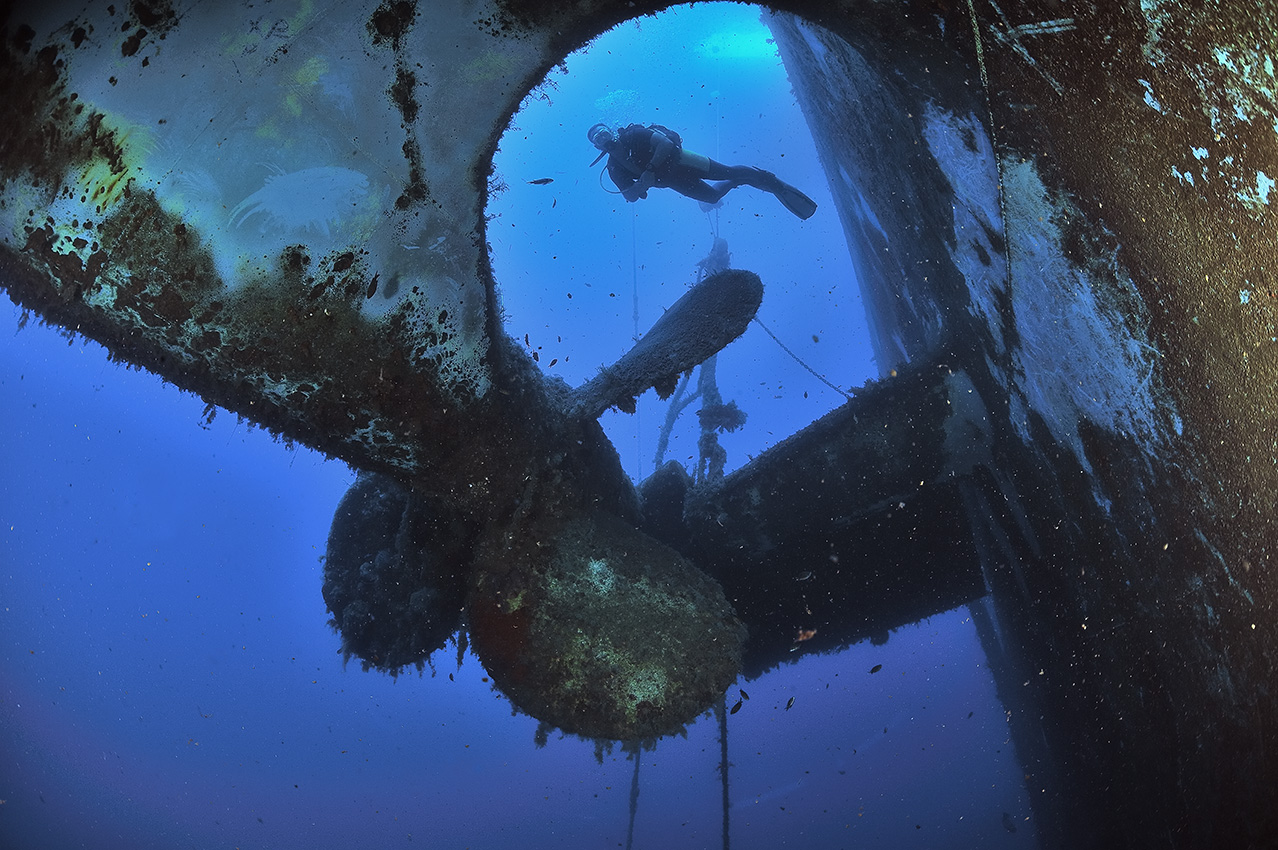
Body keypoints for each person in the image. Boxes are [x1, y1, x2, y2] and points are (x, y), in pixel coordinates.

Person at [587, 122, 817, 220]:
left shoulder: (633, 135)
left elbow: (666, 144)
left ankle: (767, 179)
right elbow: (629, 196)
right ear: (596, 146)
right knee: (713, 197)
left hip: (683, 161)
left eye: (604, 132)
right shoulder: (614, 169)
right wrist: (636, 189)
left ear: (611, 131)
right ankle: (742, 181)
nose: (603, 138)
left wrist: (649, 170)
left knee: (727, 172)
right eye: (598, 138)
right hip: (673, 181)